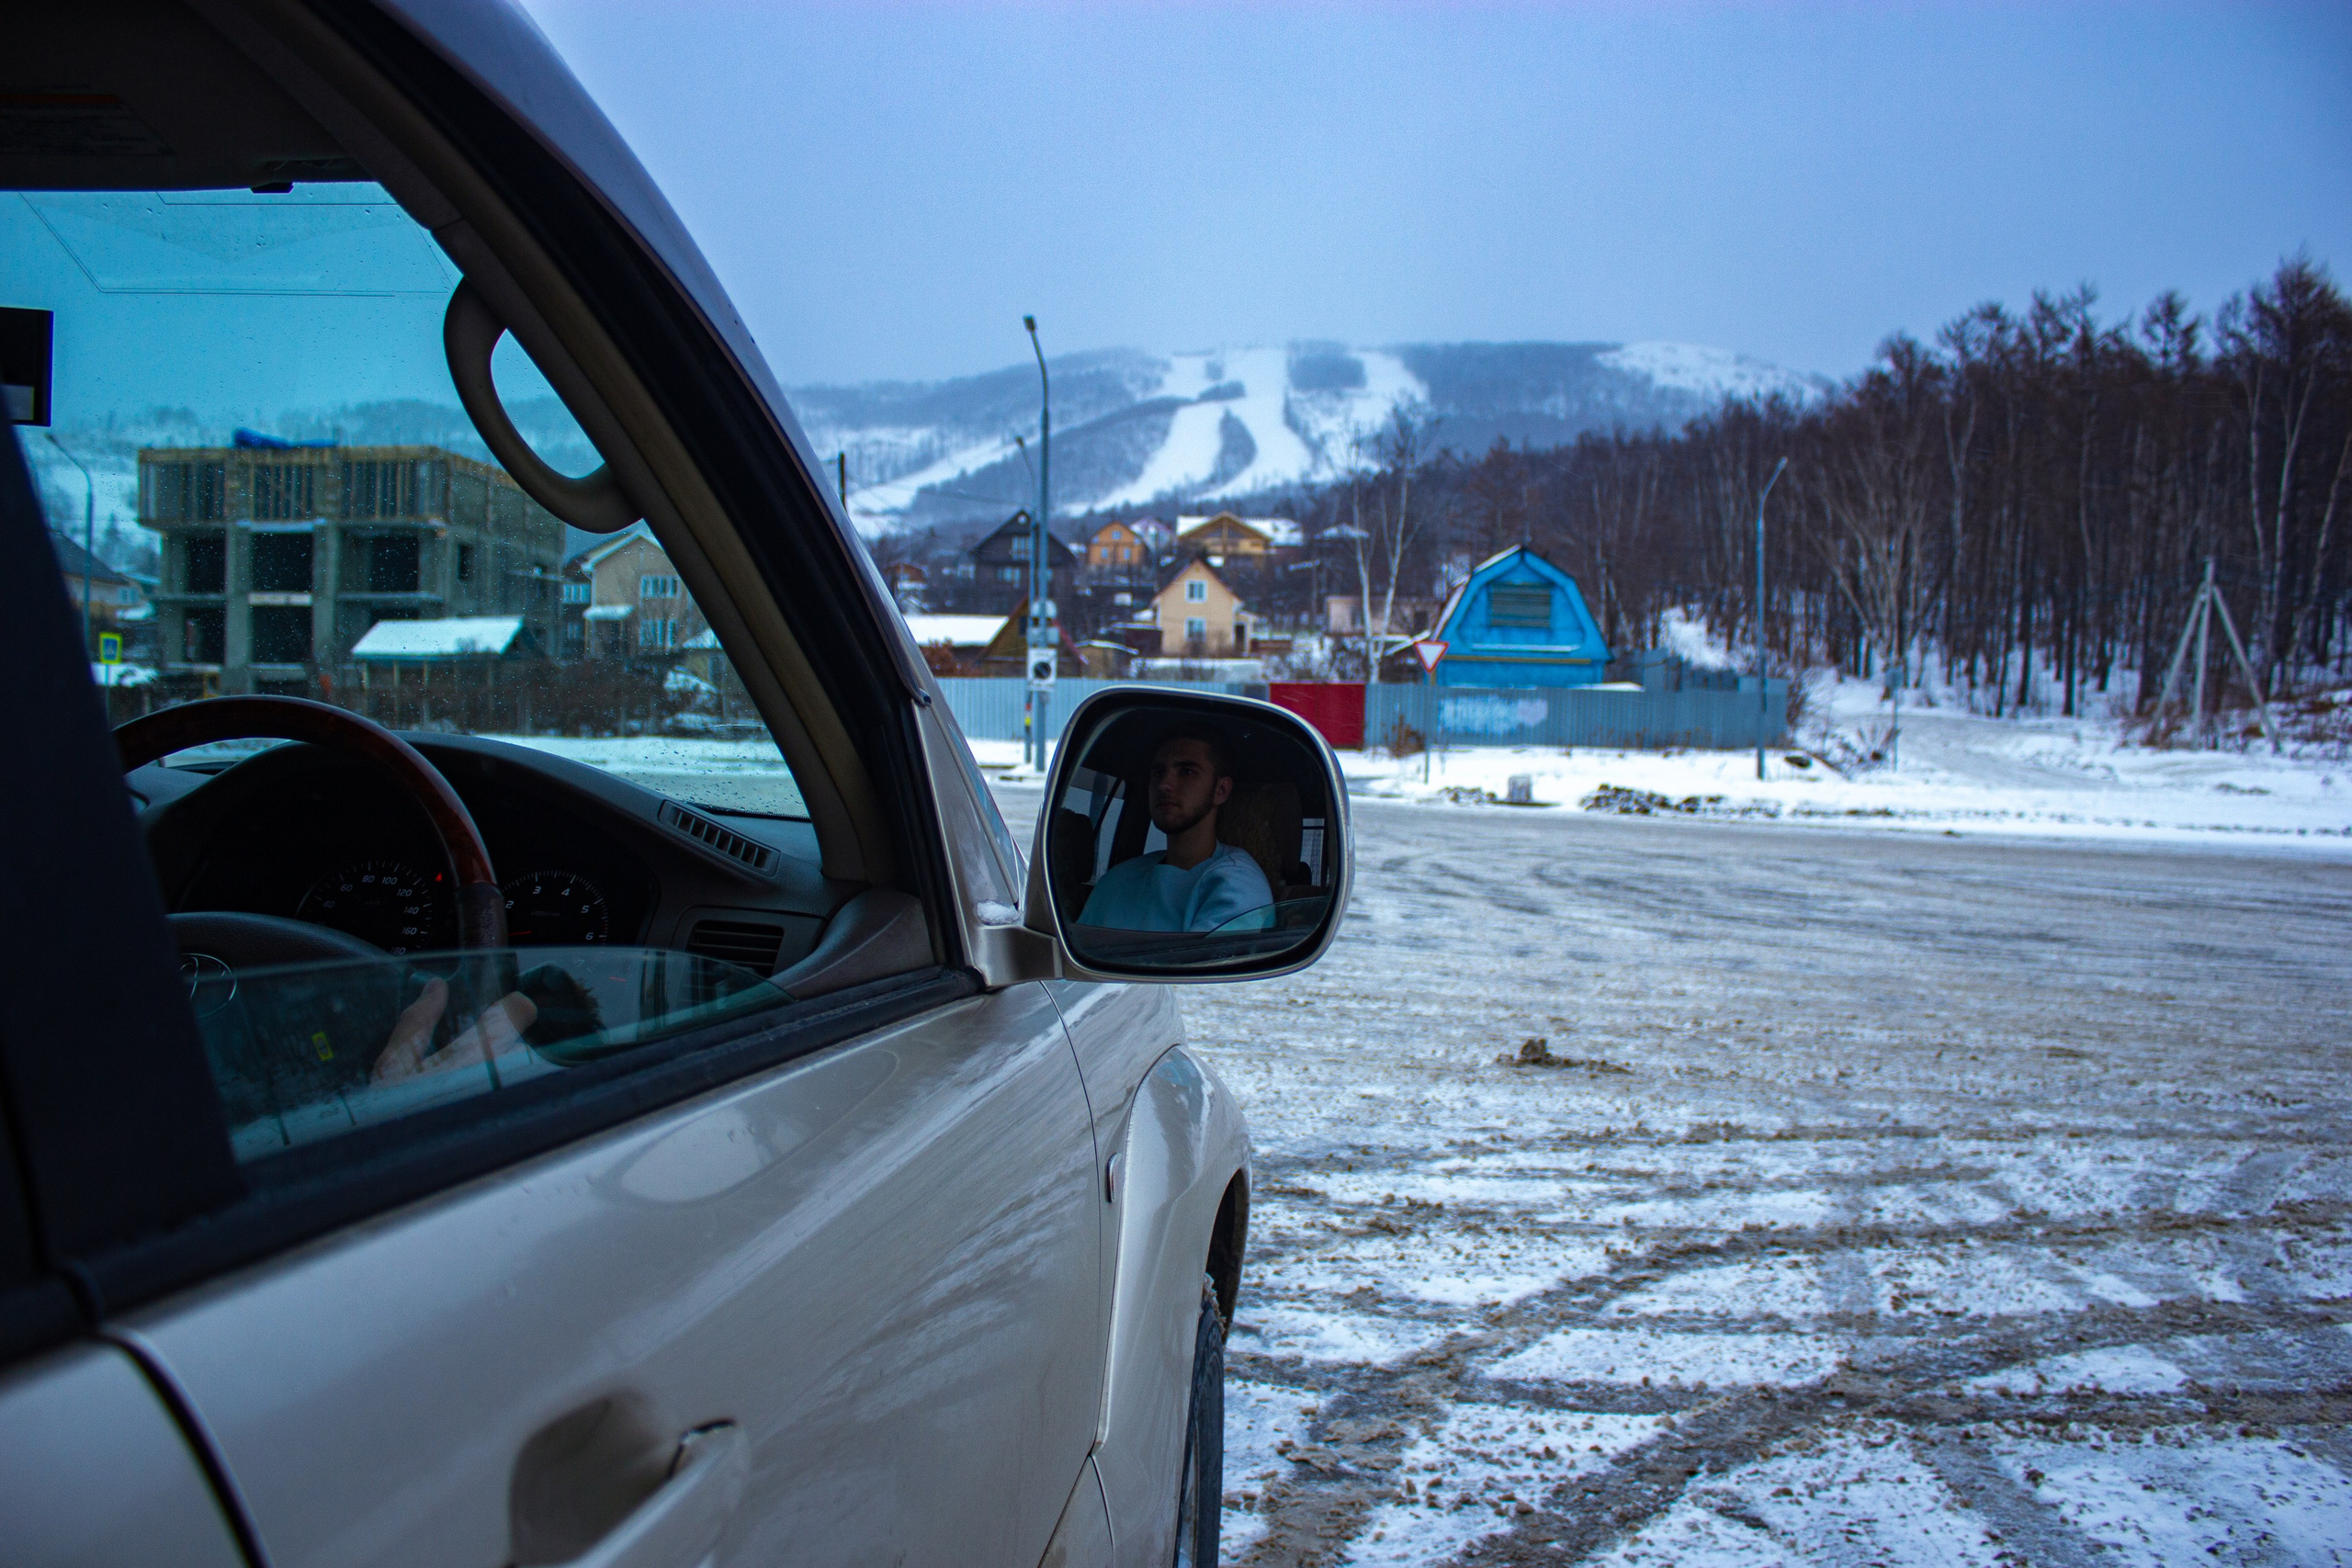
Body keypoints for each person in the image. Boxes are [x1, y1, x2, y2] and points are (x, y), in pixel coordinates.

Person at [1079, 724, 1273, 932]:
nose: (1164, 784)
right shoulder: (1117, 880)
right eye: (1159, 773)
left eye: (1186, 772)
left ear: (1221, 790)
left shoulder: (1238, 884)